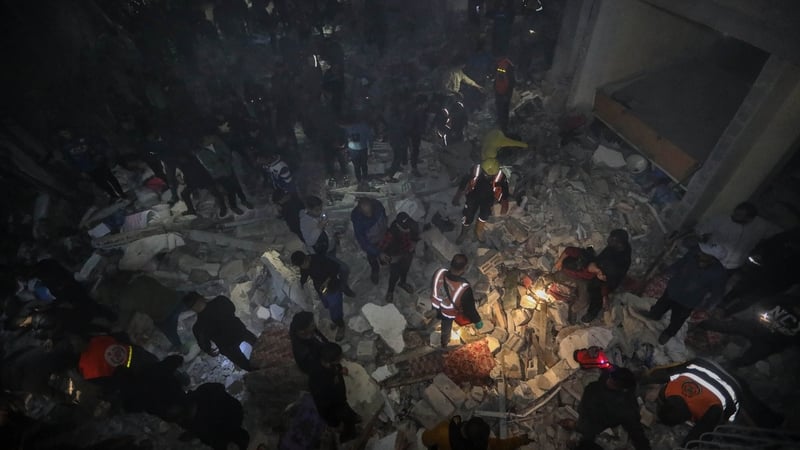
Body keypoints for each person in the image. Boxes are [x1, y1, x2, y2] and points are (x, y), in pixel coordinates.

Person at [640, 358, 783, 446]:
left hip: (735, 386)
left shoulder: (711, 410)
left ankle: (775, 424)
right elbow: (658, 376)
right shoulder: (670, 390)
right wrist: (639, 380)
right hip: (706, 364)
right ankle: (776, 422)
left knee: (751, 407)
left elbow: (699, 435)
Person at [638, 242, 728, 344]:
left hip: (688, 301)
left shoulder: (718, 274)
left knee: (677, 320)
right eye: (702, 251)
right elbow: (678, 265)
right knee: (661, 305)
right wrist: (666, 273)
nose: (700, 253)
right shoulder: (692, 256)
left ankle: (668, 333)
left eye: (705, 253)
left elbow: (717, 293)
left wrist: (707, 306)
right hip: (674, 289)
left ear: (713, 259)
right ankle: (654, 315)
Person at [697, 293, 800, 367]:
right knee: (725, 326)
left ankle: (725, 367)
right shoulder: (787, 300)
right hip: (755, 326)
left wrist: (778, 344)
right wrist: (761, 317)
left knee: (750, 359)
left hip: (769, 342)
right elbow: (764, 303)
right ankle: (696, 323)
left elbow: (792, 341)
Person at [95, 274, 188, 353]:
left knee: (169, 330)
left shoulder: (124, 302)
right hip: (175, 298)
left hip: (164, 315)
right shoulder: (140, 280)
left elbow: (123, 321)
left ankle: (179, 346)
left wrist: (114, 327)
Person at [561, 368, 650, 450]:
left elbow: (637, 433)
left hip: (598, 421)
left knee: (587, 437)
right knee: (585, 427)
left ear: (623, 389)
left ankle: (579, 441)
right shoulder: (602, 381)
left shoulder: (626, 408)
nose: (609, 381)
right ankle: (579, 430)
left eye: (613, 383)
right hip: (588, 412)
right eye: (611, 378)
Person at [695, 202, 781, 272]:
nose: (734, 216)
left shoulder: (761, 226)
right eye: (735, 213)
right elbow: (700, 231)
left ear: (750, 219)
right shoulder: (721, 220)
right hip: (713, 262)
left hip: (734, 266)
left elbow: (777, 234)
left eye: (739, 215)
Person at [183, 292, 258, 371]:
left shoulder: (198, 327)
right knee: (258, 344)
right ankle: (268, 358)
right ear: (201, 297)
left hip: (226, 345)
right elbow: (232, 308)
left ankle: (259, 373)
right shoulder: (220, 300)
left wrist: (209, 351)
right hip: (240, 331)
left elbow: (204, 344)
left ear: (191, 309)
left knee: (244, 364)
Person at [291, 251, 351, 341]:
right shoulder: (304, 265)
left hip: (332, 287)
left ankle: (340, 326)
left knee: (335, 311)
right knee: (328, 306)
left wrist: (327, 282)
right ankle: (336, 320)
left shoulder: (320, 259)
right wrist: (301, 284)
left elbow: (335, 268)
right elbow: (304, 274)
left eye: (303, 264)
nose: (302, 267)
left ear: (306, 259)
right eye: (300, 266)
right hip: (321, 288)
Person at [308, 343, 359, 443]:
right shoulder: (318, 381)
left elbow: (335, 368)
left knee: (349, 412)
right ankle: (348, 436)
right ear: (329, 362)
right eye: (338, 359)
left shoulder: (327, 364)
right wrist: (334, 423)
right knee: (347, 422)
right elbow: (324, 406)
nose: (340, 360)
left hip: (340, 400)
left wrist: (340, 370)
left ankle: (352, 418)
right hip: (333, 407)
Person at [299, 195, 352, 289]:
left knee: (334, 268)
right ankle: (343, 286)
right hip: (322, 252)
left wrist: (333, 233)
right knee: (344, 269)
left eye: (320, 208)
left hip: (330, 246)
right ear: (309, 209)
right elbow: (310, 241)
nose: (320, 211)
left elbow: (328, 228)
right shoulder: (305, 222)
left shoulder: (321, 214)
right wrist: (319, 227)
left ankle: (335, 278)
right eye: (316, 210)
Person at [177, 382, 250, 450]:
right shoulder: (204, 389)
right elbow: (221, 386)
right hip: (233, 415)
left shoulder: (198, 420)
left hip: (230, 421)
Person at [430, 254, 482, 348]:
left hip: (435, 306)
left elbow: (433, 286)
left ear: (451, 263)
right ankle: (444, 343)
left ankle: (429, 327)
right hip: (447, 313)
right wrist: (477, 320)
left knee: (434, 318)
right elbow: (469, 309)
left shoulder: (439, 273)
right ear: (464, 269)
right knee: (446, 328)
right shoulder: (463, 287)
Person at [452, 158, 509, 244]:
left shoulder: (501, 176)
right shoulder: (476, 170)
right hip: (473, 195)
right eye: (485, 174)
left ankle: (478, 232)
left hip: (488, 198)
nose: (487, 176)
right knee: (468, 215)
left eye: (490, 175)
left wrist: (504, 205)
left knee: (484, 215)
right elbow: (464, 182)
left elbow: (505, 192)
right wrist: (457, 196)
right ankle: (463, 233)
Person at [194, 133, 253, 216]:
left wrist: (223, 160)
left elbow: (227, 153)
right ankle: (233, 206)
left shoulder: (217, 144)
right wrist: (220, 162)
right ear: (203, 142)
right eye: (208, 137)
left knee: (237, 186)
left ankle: (243, 200)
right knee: (230, 190)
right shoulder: (201, 154)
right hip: (219, 175)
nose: (210, 138)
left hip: (228, 169)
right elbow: (210, 166)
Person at [56, 129, 125, 199]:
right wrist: (80, 171)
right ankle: (113, 196)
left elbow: (98, 144)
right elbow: (70, 161)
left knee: (110, 178)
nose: (65, 135)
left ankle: (122, 193)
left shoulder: (84, 138)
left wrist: (100, 155)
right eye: (62, 134)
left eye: (66, 132)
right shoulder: (65, 147)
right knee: (101, 183)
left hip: (98, 163)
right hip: (87, 168)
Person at [581, 229, 632, 323]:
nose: (608, 240)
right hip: (601, 269)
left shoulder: (621, 261)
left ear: (619, 243)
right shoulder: (613, 248)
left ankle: (592, 312)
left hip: (608, 279)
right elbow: (602, 257)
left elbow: (607, 280)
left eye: (612, 239)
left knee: (594, 290)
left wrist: (604, 293)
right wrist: (594, 264)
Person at [378, 212, 420, 303]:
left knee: (405, 269)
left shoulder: (413, 225)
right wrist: (381, 254)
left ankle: (403, 283)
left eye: (408, 228)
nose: (407, 230)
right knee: (395, 274)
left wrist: (414, 242)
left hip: (408, 252)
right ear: (397, 225)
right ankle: (390, 291)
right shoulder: (391, 233)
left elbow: (416, 235)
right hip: (395, 255)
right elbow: (381, 247)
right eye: (404, 229)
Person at [422, 415, 531, 450]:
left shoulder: (443, 430)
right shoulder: (480, 446)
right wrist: (520, 440)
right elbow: (500, 445)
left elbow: (425, 439)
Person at [351, 197, 388, 285]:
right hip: (371, 241)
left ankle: (383, 260)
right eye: (366, 212)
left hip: (382, 235)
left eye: (369, 210)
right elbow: (363, 242)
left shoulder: (378, 206)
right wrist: (378, 252)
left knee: (384, 250)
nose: (368, 214)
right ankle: (375, 271)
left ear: (371, 205)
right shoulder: (358, 221)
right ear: (360, 210)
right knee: (372, 257)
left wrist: (385, 228)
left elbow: (384, 215)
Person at [340, 116, 373, 186]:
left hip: (355, 149)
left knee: (358, 166)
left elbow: (346, 138)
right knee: (362, 165)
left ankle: (360, 180)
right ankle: (363, 179)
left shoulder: (350, 127)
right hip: (359, 149)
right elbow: (370, 138)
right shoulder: (364, 126)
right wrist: (370, 149)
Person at [494, 56, 515, 131]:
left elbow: (511, 82)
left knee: (504, 110)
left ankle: (504, 128)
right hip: (499, 91)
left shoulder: (508, 65)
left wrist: (508, 95)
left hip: (505, 93)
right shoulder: (499, 64)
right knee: (499, 108)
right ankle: (500, 124)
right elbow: (497, 78)